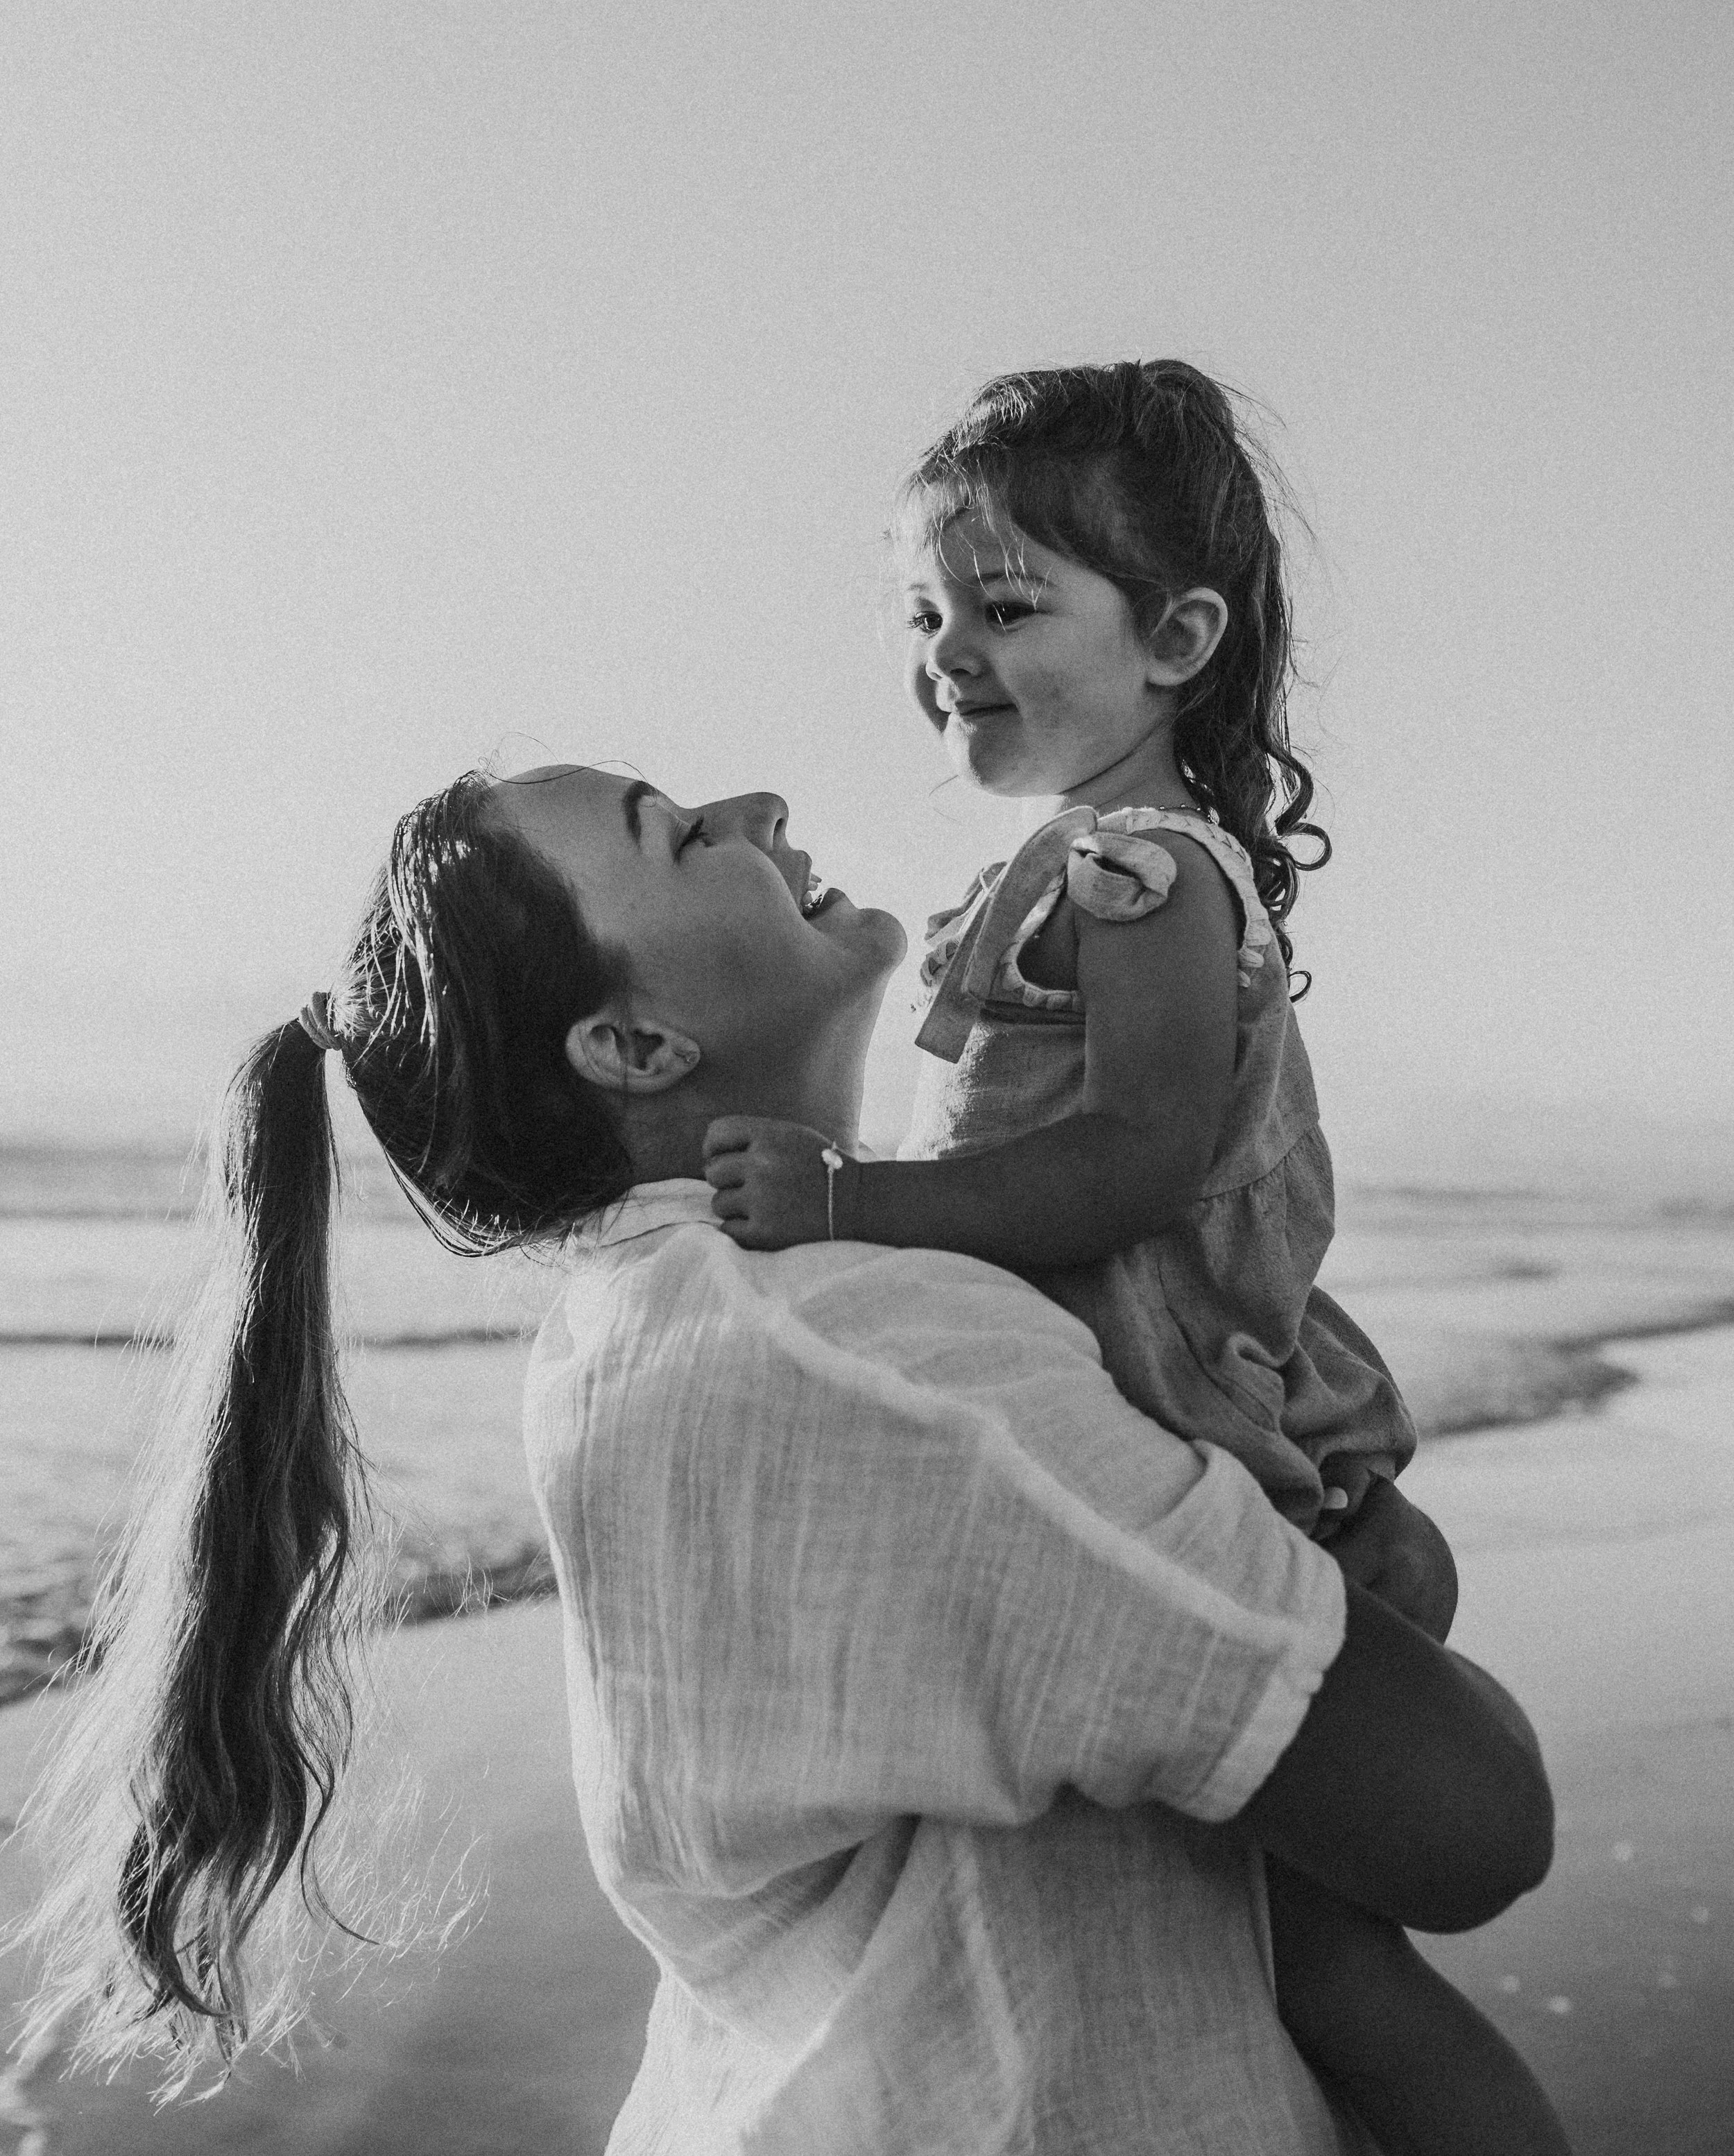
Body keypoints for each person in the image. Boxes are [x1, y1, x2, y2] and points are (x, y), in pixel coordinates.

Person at [18, 761, 1556, 2156]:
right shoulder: (869, 1351)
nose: (752, 802)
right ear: (632, 1044)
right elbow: (1471, 1825)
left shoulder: (648, 1322)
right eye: (681, 835)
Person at [701, 361, 1570, 2155]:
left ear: (1176, 634)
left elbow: (1132, 1157)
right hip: (1188, 1452)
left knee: (1337, 1976)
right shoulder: (1050, 868)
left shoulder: (1145, 870)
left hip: (1240, 1466)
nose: (950, 644)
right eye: (928, 606)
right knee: (1281, 1972)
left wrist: (848, 1198)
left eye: (1007, 603)